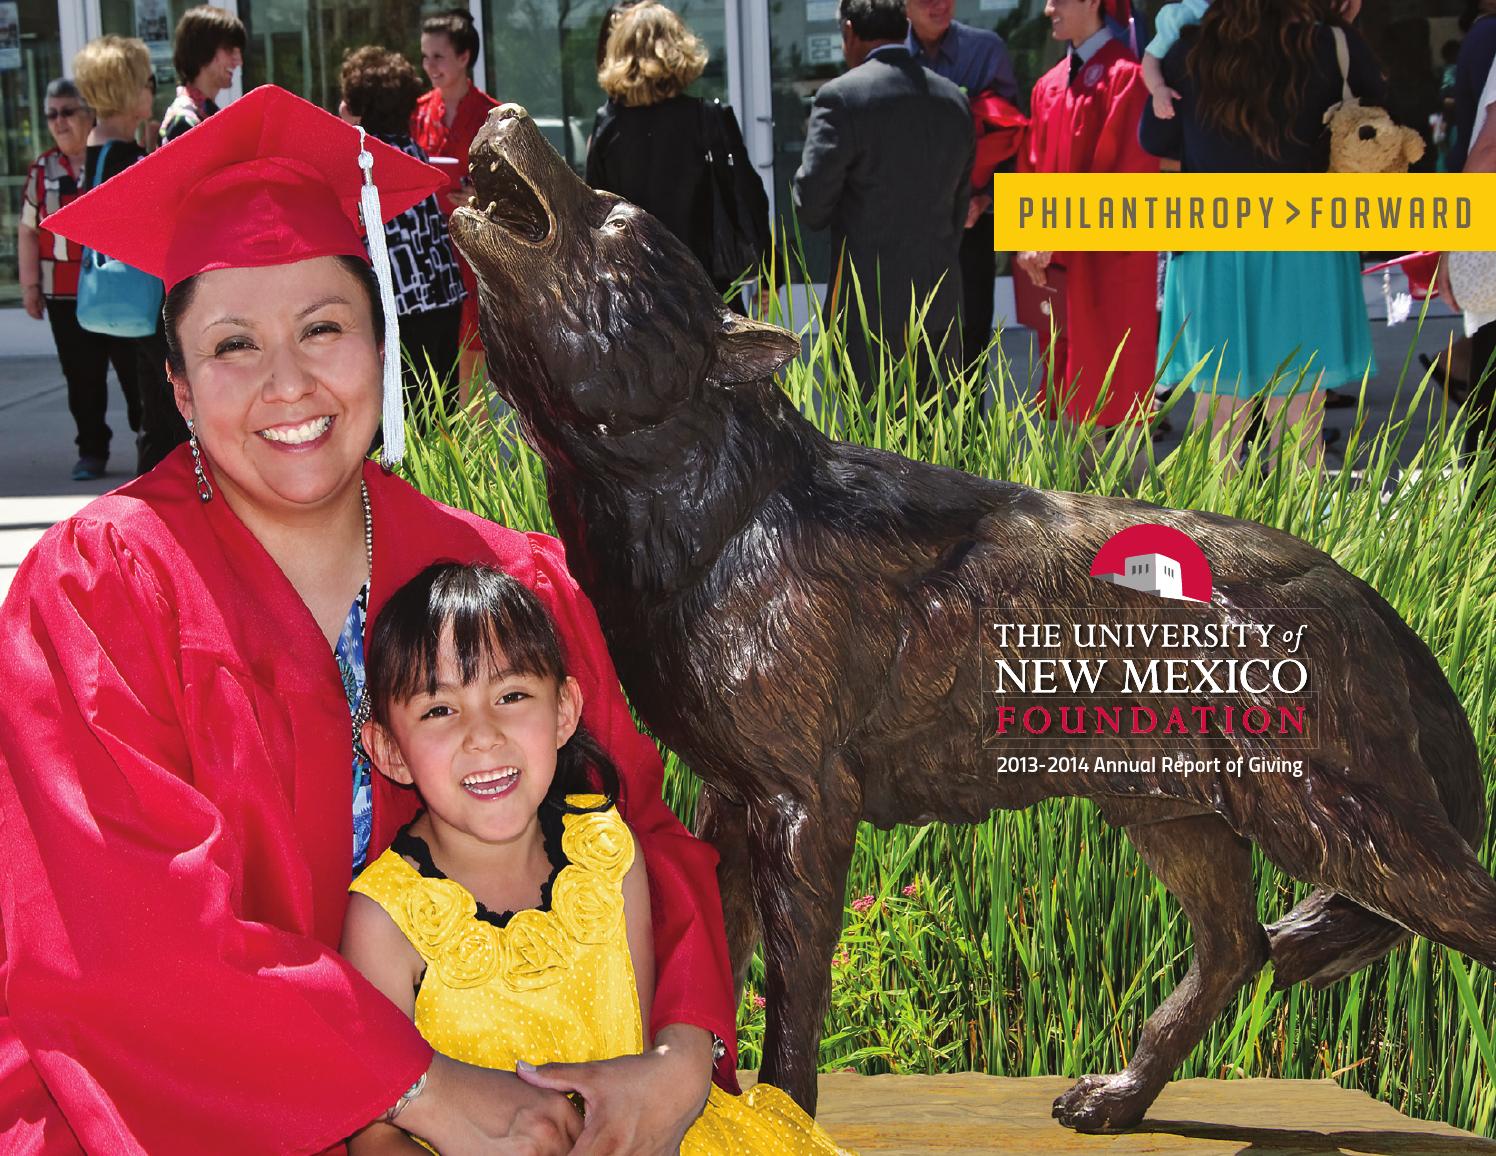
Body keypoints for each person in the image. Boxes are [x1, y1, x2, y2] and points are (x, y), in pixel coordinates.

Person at [2, 85, 737, 1154]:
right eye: (232, 347)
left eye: (323, 327)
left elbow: (638, 830)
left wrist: (677, 1055)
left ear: (385, 343)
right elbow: (119, 937)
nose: (287, 384)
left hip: (519, 1104)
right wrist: (413, 1088)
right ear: (175, 380)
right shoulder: (97, 593)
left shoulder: (500, 578)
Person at [343, 562, 850, 1155]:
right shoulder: (386, 921)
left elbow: (637, 1058)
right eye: (439, 710)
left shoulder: (609, 854)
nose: (482, 735)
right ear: (388, 750)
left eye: (511, 696)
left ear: (564, 711)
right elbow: (374, 1131)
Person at [1140, 0, 1383, 471]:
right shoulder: (1329, 44)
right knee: (1300, 420)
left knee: (1219, 420)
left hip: (1212, 245)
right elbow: (1376, 123)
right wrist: (1341, 30)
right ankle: (1303, 542)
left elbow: (1155, 139)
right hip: (1304, 241)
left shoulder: (1188, 47)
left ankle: (1223, 544)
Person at [793, 0, 972, 398]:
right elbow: (960, 207)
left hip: (865, 307)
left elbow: (811, 206)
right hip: (938, 297)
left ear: (850, 31)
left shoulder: (840, 97)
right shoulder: (953, 99)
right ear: (904, 26)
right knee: (934, 439)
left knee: (871, 445)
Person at [1016, 0, 1159, 439]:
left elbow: (1124, 181)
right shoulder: (1049, 85)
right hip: (1056, 267)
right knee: (1064, 395)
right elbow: (1032, 171)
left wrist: (1052, 240)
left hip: (1109, 266)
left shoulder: (1127, 78)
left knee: (1112, 391)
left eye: (1057, 0)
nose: (1047, 9)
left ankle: (1124, 505)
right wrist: (1028, 240)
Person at [586, 1, 769, 299]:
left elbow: (592, 215)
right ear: (678, 48)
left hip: (635, 297)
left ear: (620, 53)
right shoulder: (708, 118)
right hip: (708, 292)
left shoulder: (608, 126)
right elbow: (750, 202)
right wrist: (767, 276)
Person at [18, 77, 141, 482]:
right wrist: (31, 286)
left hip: (111, 289)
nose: (59, 121)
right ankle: (91, 450)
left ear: (89, 115)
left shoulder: (106, 159)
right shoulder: (43, 169)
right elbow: (27, 230)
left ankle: (148, 437)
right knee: (81, 378)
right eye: (51, 114)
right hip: (64, 295)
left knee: (133, 370)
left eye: (67, 111)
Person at [341, 46, 466, 430]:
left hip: (399, 308)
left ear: (363, 105)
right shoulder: (411, 150)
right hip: (440, 298)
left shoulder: (363, 160)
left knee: (396, 424)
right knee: (440, 419)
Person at [73, 35, 180, 480]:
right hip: (148, 300)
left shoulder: (98, 149)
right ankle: (160, 500)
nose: (152, 90)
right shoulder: (125, 157)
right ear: (126, 89)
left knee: (153, 396)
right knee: (166, 402)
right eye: (147, 81)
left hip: (125, 298)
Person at [904, 0, 1018, 375]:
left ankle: (968, 434)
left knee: (970, 344)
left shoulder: (986, 50)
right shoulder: (887, 55)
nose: (939, 5)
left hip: (972, 226)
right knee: (910, 345)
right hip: (908, 232)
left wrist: (987, 198)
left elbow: (1013, 137)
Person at [411, 9, 498, 407]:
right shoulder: (417, 112)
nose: (429, 66)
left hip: (475, 254)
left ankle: (472, 463)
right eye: (426, 56)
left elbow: (516, 194)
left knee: (473, 364)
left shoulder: (492, 116)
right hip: (430, 250)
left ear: (464, 57)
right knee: (432, 365)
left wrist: (480, 199)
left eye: (438, 57)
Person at [160, 4, 244, 142]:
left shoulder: (205, 114)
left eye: (239, 52)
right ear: (203, 51)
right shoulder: (184, 122)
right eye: (230, 50)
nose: (239, 61)